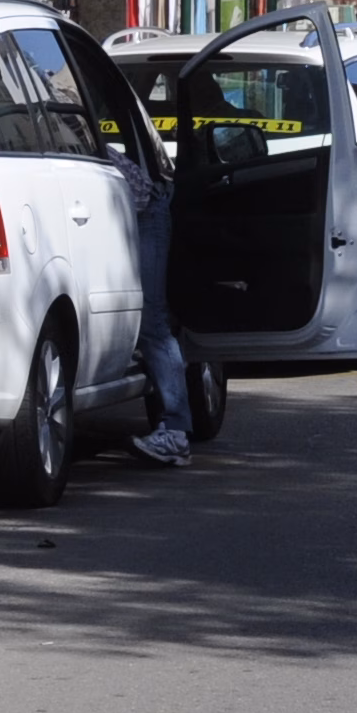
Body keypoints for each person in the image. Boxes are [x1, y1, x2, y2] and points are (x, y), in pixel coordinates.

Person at [116, 139, 191, 468]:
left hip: (147, 214)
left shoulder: (68, 132)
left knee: (152, 323)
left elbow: (141, 195)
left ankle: (175, 432)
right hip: (135, 212)